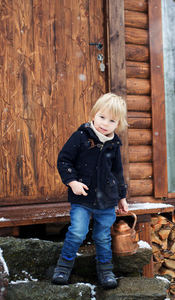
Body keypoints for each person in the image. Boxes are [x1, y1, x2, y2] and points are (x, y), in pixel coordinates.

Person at [52, 93, 129, 289]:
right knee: (78, 232)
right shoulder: (81, 137)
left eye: (112, 120)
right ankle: (63, 268)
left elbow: (117, 172)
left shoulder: (114, 144)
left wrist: (122, 197)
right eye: (102, 117)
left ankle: (105, 272)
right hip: (83, 198)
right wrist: (72, 181)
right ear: (94, 114)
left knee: (102, 236)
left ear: (118, 123)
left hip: (107, 201)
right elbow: (64, 160)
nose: (105, 124)